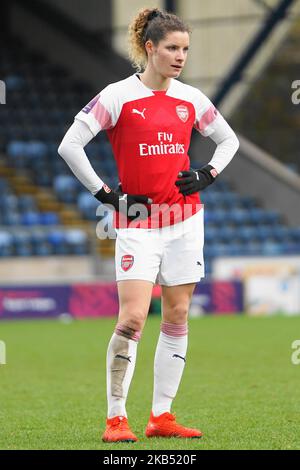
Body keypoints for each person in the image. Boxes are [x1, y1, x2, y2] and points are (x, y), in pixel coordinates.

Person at [58, 7, 239, 443]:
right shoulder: (117, 96)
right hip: (137, 221)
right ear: (149, 47)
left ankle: (162, 416)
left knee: (177, 315)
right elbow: (70, 144)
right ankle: (116, 419)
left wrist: (207, 174)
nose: (181, 57)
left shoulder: (192, 99)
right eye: (172, 48)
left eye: (186, 49)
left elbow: (228, 140)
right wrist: (106, 195)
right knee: (133, 318)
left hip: (186, 220)